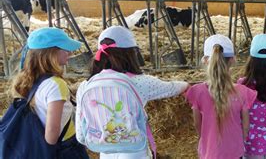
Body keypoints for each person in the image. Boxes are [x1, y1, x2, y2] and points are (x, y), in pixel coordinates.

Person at [75, 26, 189, 158]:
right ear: (131, 54)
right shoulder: (139, 82)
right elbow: (172, 87)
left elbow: (80, 135)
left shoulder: (85, 86)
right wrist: (186, 85)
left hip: (105, 152)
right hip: (135, 152)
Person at [9, 27, 89, 158]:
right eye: (66, 49)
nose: (70, 53)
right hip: (63, 149)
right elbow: (51, 134)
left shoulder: (29, 80)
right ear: (52, 54)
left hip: (36, 142)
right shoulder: (56, 85)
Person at [185, 34, 257, 159]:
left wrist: (206, 138)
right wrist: (242, 139)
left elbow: (197, 124)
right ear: (233, 60)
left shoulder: (197, 91)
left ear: (206, 60)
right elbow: (246, 126)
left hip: (209, 151)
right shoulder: (243, 91)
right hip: (234, 151)